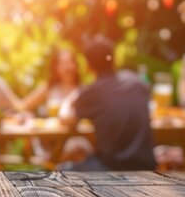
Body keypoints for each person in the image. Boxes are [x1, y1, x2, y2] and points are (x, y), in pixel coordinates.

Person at [66, 35, 157, 171]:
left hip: (111, 168)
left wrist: (70, 98)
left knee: (62, 171)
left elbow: (67, 120)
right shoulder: (136, 81)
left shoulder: (92, 91)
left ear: (88, 65)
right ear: (114, 59)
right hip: (146, 166)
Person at [23, 48, 82, 118]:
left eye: (70, 62)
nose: (67, 68)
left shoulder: (83, 90)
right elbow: (24, 106)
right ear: (56, 67)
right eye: (63, 64)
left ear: (76, 65)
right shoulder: (49, 87)